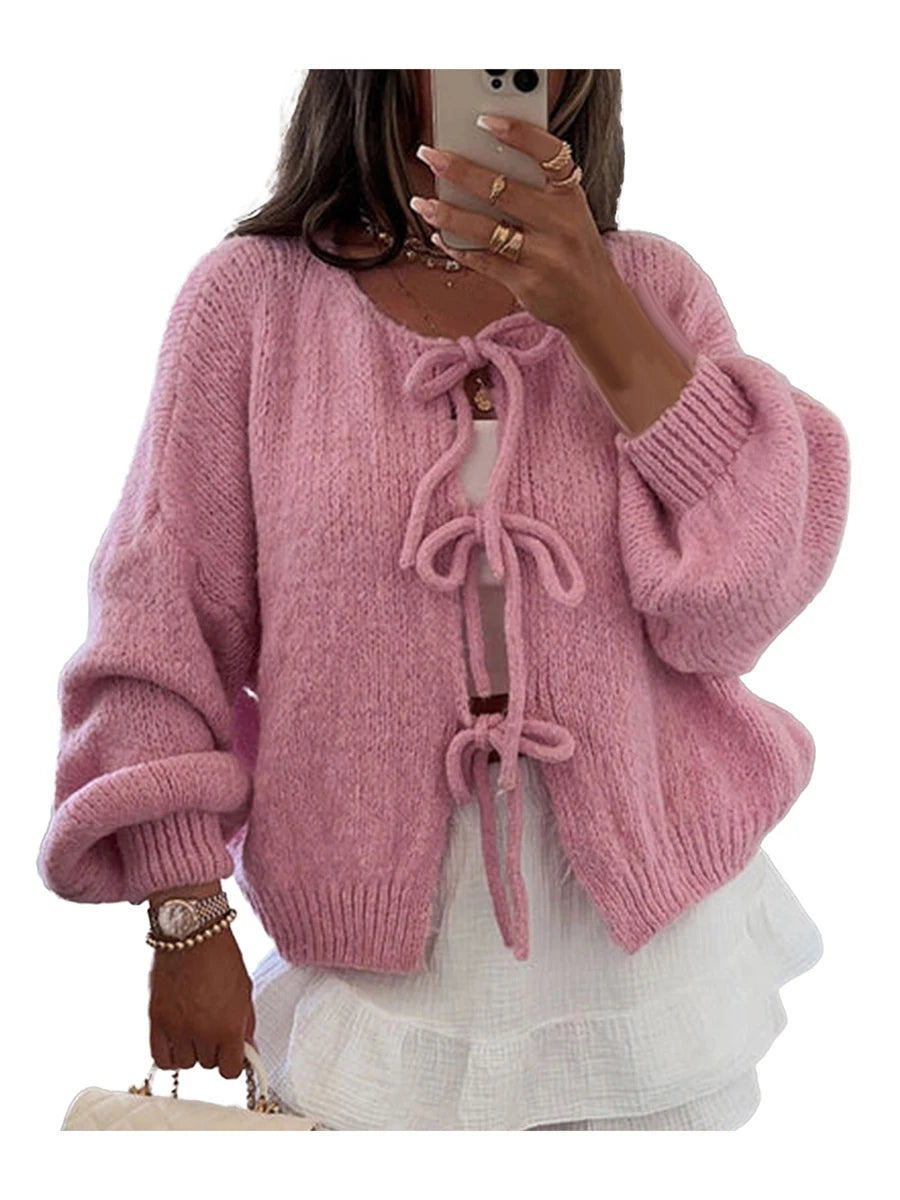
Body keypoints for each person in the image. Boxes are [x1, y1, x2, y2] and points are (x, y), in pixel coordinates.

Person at [37, 70, 849, 1130]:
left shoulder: (653, 287)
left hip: (652, 963)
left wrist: (596, 309)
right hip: (380, 970)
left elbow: (739, 609)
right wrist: (185, 912)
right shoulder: (251, 304)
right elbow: (158, 621)